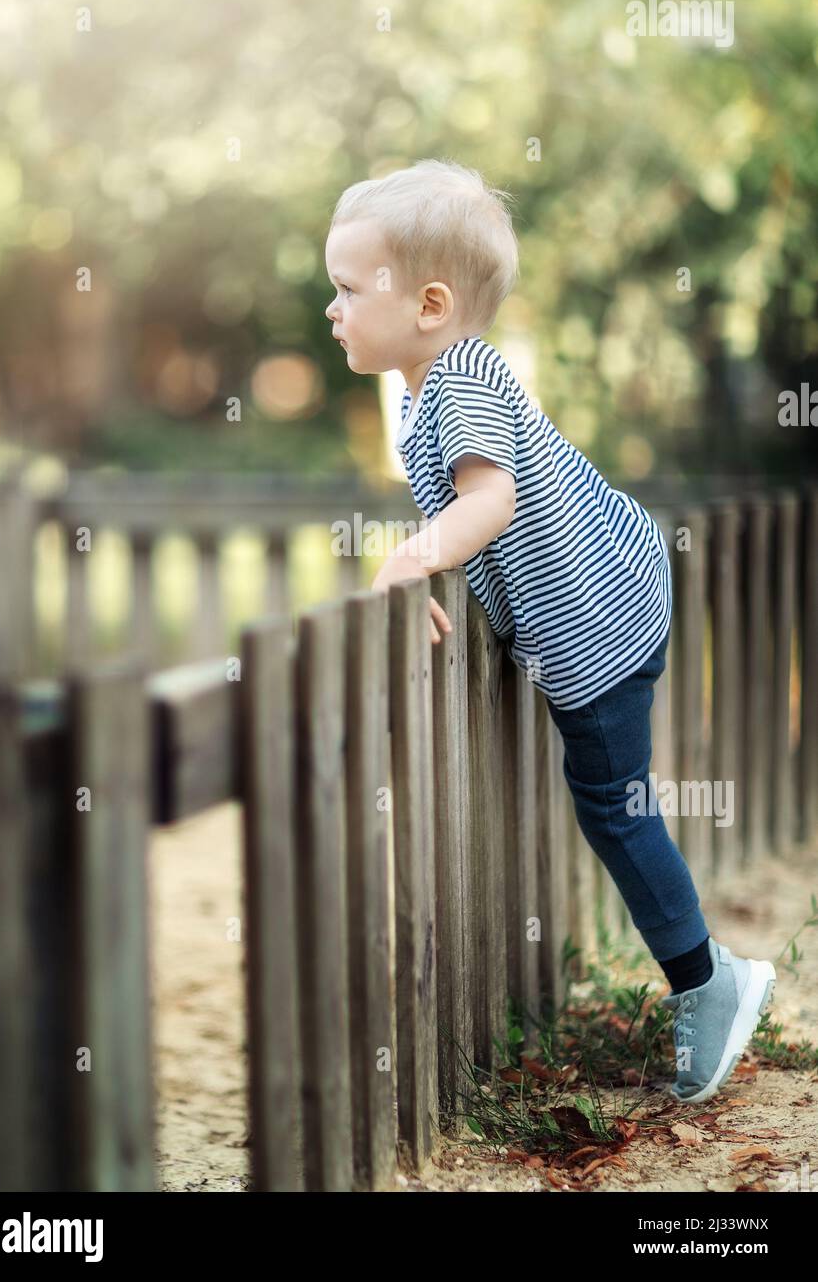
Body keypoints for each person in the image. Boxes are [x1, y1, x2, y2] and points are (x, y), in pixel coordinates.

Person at [324, 157, 776, 1104]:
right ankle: (704, 975)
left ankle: (709, 981)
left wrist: (415, 555)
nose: (331, 309)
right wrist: (438, 564)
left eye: (346, 288)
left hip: (602, 617)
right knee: (610, 797)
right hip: (603, 597)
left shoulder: (463, 380)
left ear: (431, 304)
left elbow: (492, 498)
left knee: (614, 804)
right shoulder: (429, 388)